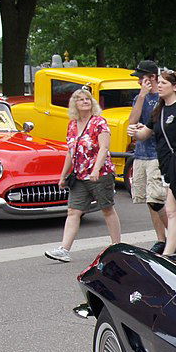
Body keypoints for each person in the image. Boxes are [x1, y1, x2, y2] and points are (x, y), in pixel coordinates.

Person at [128, 70, 176, 256]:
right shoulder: (159, 111)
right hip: (167, 165)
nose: (159, 86)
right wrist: (135, 132)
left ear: (175, 87)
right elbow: (146, 133)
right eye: (159, 82)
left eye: (163, 83)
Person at [44, 88, 120, 262]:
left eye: (88, 99)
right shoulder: (72, 124)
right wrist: (63, 175)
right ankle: (64, 249)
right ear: (75, 104)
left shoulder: (99, 122)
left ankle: (117, 246)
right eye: (81, 99)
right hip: (78, 176)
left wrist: (96, 169)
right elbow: (70, 152)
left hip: (100, 174)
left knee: (107, 208)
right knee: (73, 211)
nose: (85, 101)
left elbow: (104, 147)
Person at [124, 59, 171, 254]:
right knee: (149, 201)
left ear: (152, 77)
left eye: (141, 78)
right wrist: (141, 96)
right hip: (141, 154)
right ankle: (161, 239)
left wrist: (145, 128)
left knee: (156, 199)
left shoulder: (162, 97)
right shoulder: (139, 98)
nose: (138, 82)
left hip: (156, 154)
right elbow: (133, 120)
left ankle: (173, 235)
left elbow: (158, 124)